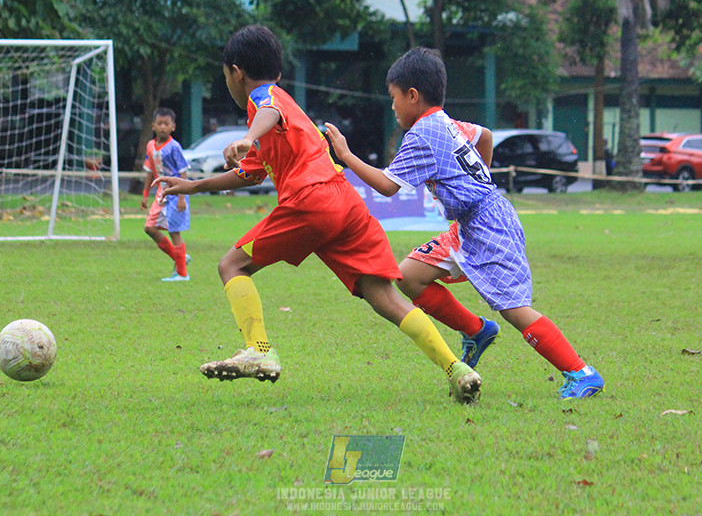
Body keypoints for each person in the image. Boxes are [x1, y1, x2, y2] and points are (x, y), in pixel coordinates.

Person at [152, 24, 481, 404]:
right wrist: (193, 185)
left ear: (236, 72)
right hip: (345, 203)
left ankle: (258, 349)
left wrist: (246, 138)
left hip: (312, 201)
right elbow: (250, 171)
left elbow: (267, 111)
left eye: (226, 74)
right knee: (383, 296)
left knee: (231, 266)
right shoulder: (285, 110)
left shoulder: (266, 99)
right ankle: (456, 369)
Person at [325, 47, 604, 399]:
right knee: (410, 276)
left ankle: (581, 372)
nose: (392, 106)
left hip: (488, 224)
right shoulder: (445, 123)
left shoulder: (422, 133)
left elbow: (386, 185)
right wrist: (478, 185)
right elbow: (484, 135)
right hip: (470, 222)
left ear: (412, 95)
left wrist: (346, 155)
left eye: (394, 98)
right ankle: (476, 331)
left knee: (514, 309)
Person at [141, 108, 191, 282]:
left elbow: (183, 171)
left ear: (173, 127)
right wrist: (145, 195)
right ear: (153, 125)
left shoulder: (174, 147)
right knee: (150, 228)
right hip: (161, 195)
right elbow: (149, 172)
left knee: (174, 231)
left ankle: (182, 274)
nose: (163, 127)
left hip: (176, 193)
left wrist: (183, 197)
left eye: (166, 124)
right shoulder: (149, 146)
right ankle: (180, 259)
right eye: (159, 123)